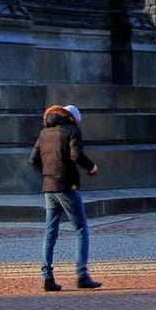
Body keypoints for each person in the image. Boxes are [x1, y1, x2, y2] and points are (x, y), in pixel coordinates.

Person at [28, 104, 102, 292]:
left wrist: (47, 174)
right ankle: (81, 274)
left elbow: (33, 159)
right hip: (67, 186)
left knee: (50, 231)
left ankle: (47, 276)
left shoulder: (45, 132)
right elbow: (76, 155)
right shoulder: (72, 130)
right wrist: (91, 167)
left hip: (49, 187)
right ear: (72, 118)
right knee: (81, 229)